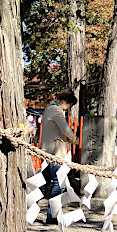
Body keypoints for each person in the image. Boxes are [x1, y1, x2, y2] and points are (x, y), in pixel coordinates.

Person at [39, 91, 78, 224]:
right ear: (66, 102)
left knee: (46, 183)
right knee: (58, 183)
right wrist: (74, 139)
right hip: (55, 153)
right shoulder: (56, 110)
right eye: (70, 105)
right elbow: (65, 129)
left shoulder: (49, 109)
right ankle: (52, 215)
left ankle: (30, 207)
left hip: (47, 151)